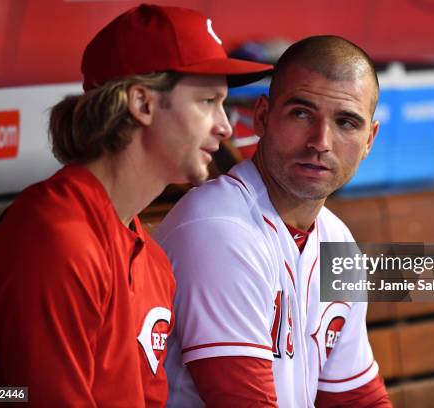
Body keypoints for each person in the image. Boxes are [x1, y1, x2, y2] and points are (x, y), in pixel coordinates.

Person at [0, 4, 271, 406]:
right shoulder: (56, 235)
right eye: (207, 101)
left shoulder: (152, 261)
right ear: (142, 104)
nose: (226, 126)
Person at [154, 35, 391, 407]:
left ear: (369, 140)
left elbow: (354, 399)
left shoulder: (337, 240)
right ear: (262, 116)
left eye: (346, 122)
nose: (321, 141)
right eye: (301, 113)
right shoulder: (219, 229)